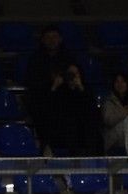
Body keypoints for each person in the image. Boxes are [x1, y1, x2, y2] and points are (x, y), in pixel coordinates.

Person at [24, 24, 78, 154]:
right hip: (43, 103)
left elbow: (75, 79)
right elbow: (33, 84)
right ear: (42, 40)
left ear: (60, 39)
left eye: (55, 37)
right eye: (48, 37)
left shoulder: (69, 58)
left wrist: (63, 82)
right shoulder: (35, 60)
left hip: (66, 102)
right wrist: (52, 85)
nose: (52, 40)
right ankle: (46, 150)